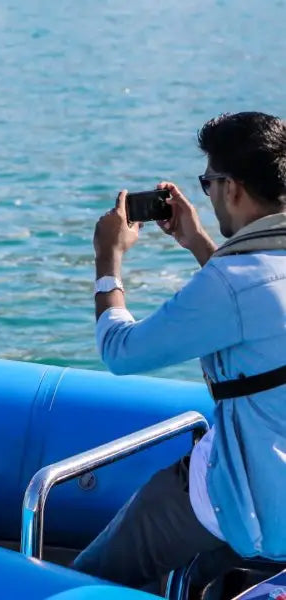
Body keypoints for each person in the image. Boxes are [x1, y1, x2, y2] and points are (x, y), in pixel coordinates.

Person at [75, 111, 286, 589]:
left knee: (90, 579)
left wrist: (108, 258)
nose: (209, 195)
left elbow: (121, 352)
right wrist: (196, 242)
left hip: (246, 501)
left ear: (232, 188)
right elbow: (261, 308)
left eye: (209, 182)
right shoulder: (257, 271)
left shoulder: (230, 283)